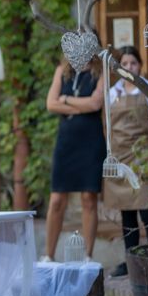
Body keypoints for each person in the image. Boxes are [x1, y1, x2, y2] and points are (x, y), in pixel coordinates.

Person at [41, 55, 105, 262]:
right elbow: (51, 104)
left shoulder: (100, 71)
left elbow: (96, 103)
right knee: (57, 199)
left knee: (88, 198)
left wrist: (66, 100)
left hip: (91, 141)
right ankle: (49, 255)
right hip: (66, 142)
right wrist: (81, 107)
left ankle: (88, 255)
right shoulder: (62, 70)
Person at [103, 45, 148, 277]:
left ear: (140, 66)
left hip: (144, 159)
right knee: (127, 214)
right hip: (121, 160)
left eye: (133, 63)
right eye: (124, 63)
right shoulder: (111, 93)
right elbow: (106, 127)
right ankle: (131, 261)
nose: (129, 67)